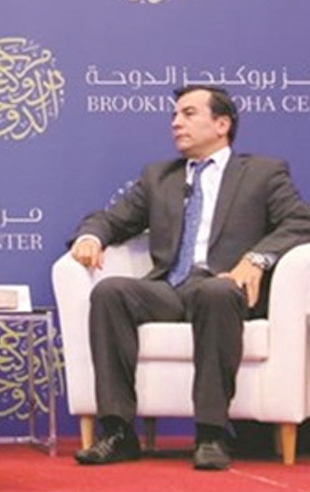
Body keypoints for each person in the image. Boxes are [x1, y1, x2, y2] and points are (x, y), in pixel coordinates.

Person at [69, 85, 310, 470]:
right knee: (111, 291)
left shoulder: (263, 173)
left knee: (216, 291)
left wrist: (257, 258)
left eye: (188, 114)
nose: (176, 122)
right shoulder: (158, 177)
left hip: (225, 288)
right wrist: (91, 236)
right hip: (170, 288)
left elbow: (301, 222)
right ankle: (117, 432)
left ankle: (211, 435)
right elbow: (112, 218)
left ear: (222, 124)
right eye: (174, 115)